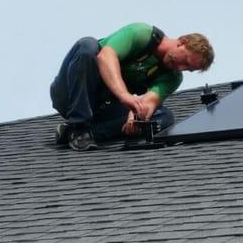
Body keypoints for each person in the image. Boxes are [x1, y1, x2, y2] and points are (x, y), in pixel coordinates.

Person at [50, 22, 214, 151]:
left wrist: (137, 115)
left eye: (188, 69)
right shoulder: (142, 34)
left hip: (101, 109)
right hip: (71, 94)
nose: (181, 68)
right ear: (182, 42)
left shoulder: (172, 77)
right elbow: (105, 57)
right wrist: (125, 96)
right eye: (185, 60)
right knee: (88, 46)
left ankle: (81, 133)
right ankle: (78, 124)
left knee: (164, 116)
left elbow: (150, 102)